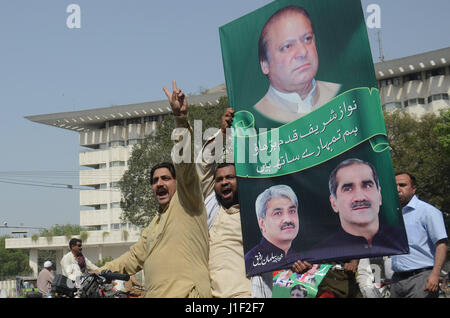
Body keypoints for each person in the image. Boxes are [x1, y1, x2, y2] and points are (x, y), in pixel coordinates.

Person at [100, 81, 211, 298]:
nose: (159, 184)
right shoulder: (154, 225)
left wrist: (180, 119)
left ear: (178, 183)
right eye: (155, 180)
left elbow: (185, 163)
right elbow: (132, 259)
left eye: (166, 179)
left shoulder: (187, 202)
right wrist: (98, 271)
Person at [197, 108, 312, 297]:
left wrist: (298, 262)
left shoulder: (257, 215)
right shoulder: (212, 207)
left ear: (240, 181)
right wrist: (222, 134)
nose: (224, 182)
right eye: (219, 180)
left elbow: (281, 245)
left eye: (230, 178)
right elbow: (202, 166)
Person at [254, 5, 341, 124]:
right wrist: (226, 132)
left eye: (307, 39)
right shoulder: (257, 118)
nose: (303, 52)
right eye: (287, 46)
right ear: (265, 65)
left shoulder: (341, 94)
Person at [310, 158, 408, 260]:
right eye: (348, 189)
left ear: (379, 196)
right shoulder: (321, 253)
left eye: (367, 185)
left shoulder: (403, 238)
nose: (360, 197)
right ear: (334, 203)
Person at [390, 172, 448, 298]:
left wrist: (435, 274)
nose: (397, 189)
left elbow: (441, 245)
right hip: (397, 280)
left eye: (402, 185)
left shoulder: (428, 212)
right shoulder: (393, 214)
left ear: (413, 189)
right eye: (394, 185)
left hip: (421, 279)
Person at [244, 184, 301, 276]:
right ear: (262, 223)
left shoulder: (302, 259)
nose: (288, 219)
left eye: (292, 211)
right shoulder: (249, 263)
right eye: (278, 213)